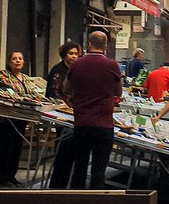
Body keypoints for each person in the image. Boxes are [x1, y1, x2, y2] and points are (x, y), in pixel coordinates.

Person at [63, 31, 122, 190]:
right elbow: (118, 93)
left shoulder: (76, 64)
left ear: (88, 44)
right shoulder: (112, 65)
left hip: (82, 124)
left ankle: (76, 202)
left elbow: (66, 88)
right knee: (99, 170)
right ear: (106, 45)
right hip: (104, 126)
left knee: (80, 167)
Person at [45, 40, 81, 189]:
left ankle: (66, 183)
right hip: (62, 115)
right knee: (63, 151)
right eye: (71, 53)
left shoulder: (76, 70)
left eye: (76, 54)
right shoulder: (58, 70)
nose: (74, 57)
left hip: (74, 115)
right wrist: (66, 108)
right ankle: (57, 186)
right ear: (64, 55)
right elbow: (54, 93)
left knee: (71, 152)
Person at [0, 51, 28, 186]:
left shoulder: (25, 78)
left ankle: (11, 175)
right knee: (5, 147)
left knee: (16, 147)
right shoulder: (3, 75)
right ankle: (1, 178)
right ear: (9, 62)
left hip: (21, 117)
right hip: (7, 118)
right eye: (14, 59)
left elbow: (32, 93)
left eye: (20, 58)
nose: (17, 61)